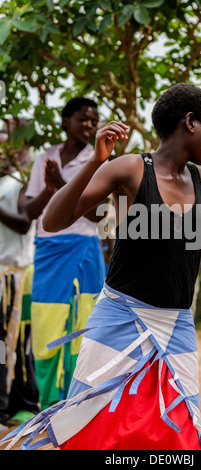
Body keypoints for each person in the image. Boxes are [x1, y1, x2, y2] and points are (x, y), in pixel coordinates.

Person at [2, 83, 201, 450]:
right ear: (190, 122)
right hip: (121, 315)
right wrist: (96, 161)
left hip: (176, 323)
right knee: (91, 425)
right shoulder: (130, 168)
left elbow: (188, 235)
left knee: (179, 432)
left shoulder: (199, 179)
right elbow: (53, 220)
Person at [24, 97, 106, 411]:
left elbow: (101, 214)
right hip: (47, 251)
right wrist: (50, 188)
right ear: (65, 121)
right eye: (83, 119)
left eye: (94, 120)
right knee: (45, 324)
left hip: (84, 250)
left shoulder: (99, 161)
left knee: (82, 327)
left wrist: (61, 184)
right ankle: (47, 405)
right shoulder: (45, 158)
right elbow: (30, 211)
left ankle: (79, 406)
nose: (89, 125)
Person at [0, 129, 39, 431]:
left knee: (8, 344)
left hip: (12, 276)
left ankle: (10, 408)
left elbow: (25, 223)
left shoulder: (24, 178)